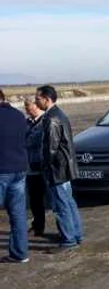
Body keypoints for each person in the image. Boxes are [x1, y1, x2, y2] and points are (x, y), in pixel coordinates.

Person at [35, 85, 83, 250]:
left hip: (57, 169)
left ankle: (68, 239)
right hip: (64, 167)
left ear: (46, 99)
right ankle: (75, 234)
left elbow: (51, 147)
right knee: (68, 202)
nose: (36, 102)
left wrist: (46, 166)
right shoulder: (59, 114)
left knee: (61, 205)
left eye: (37, 98)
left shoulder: (52, 118)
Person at [0, 89, 30, 263]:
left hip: (2, 170)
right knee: (18, 214)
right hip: (19, 170)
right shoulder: (19, 116)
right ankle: (20, 253)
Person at [24, 99, 48, 237]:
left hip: (44, 165)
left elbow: (32, 140)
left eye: (28, 107)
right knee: (34, 199)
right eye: (25, 108)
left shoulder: (45, 121)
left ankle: (65, 231)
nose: (27, 110)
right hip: (31, 167)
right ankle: (38, 226)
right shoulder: (28, 122)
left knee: (53, 200)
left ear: (36, 106)